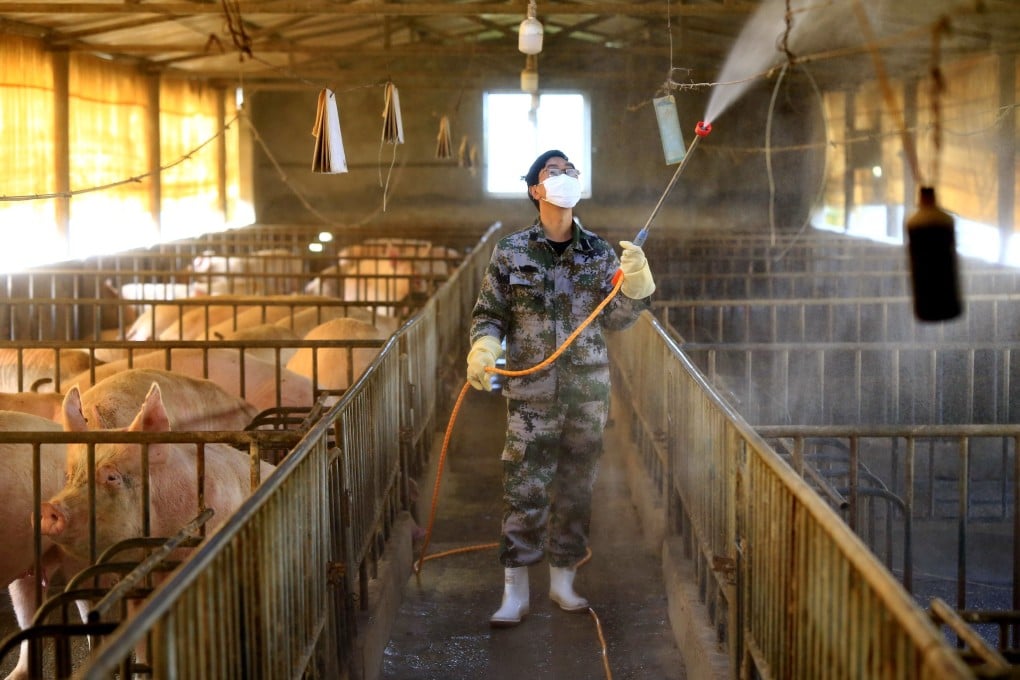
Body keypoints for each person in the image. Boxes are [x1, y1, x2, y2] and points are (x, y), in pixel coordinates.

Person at [466, 149, 656, 627]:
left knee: (576, 489)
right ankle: (515, 591)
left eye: (571, 170)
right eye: (555, 171)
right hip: (530, 394)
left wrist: (637, 288)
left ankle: (563, 581)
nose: (566, 175)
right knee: (523, 488)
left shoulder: (600, 253)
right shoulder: (510, 251)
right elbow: (491, 313)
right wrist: (484, 349)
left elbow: (617, 320)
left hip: (586, 395)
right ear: (536, 189)